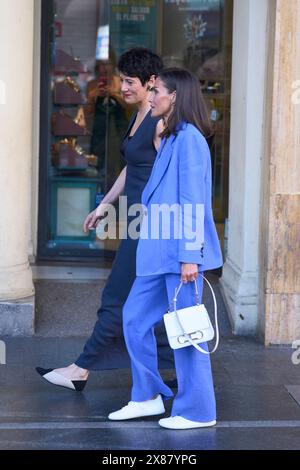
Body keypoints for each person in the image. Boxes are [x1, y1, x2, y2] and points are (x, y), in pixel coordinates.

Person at [36, 48, 165, 390]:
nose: (121, 87)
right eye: (121, 79)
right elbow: (133, 167)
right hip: (136, 221)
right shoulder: (139, 115)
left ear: (151, 81)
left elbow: (170, 175)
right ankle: (171, 366)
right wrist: (105, 204)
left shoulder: (159, 120)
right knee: (142, 301)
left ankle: (82, 368)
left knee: (117, 295)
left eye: (129, 81)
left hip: (149, 226)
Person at [108, 68, 223, 429]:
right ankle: (146, 396)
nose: (151, 96)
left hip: (178, 256)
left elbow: (192, 201)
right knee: (134, 318)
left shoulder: (189, 139)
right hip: (157, 255)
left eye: (156, 90)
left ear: (174, 97)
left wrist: (191, 254)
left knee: (186, 332)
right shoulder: (172, 137)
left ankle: (198, 410)